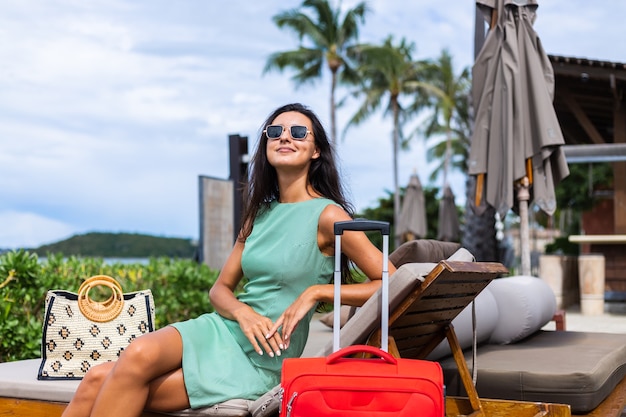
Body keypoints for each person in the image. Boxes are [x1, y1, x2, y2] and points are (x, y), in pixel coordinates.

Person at [62, 103, 396, 416]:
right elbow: (220, 289)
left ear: (316, 150)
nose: (284, 136)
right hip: (225, 328)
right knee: (105, 372)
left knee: (109, 379)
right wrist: (242, 312)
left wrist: (316, 293)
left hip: (263, 356)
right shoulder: (258, 214)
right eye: (275, 131)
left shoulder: (328, 216)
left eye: (297, 133)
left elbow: (392, 280)